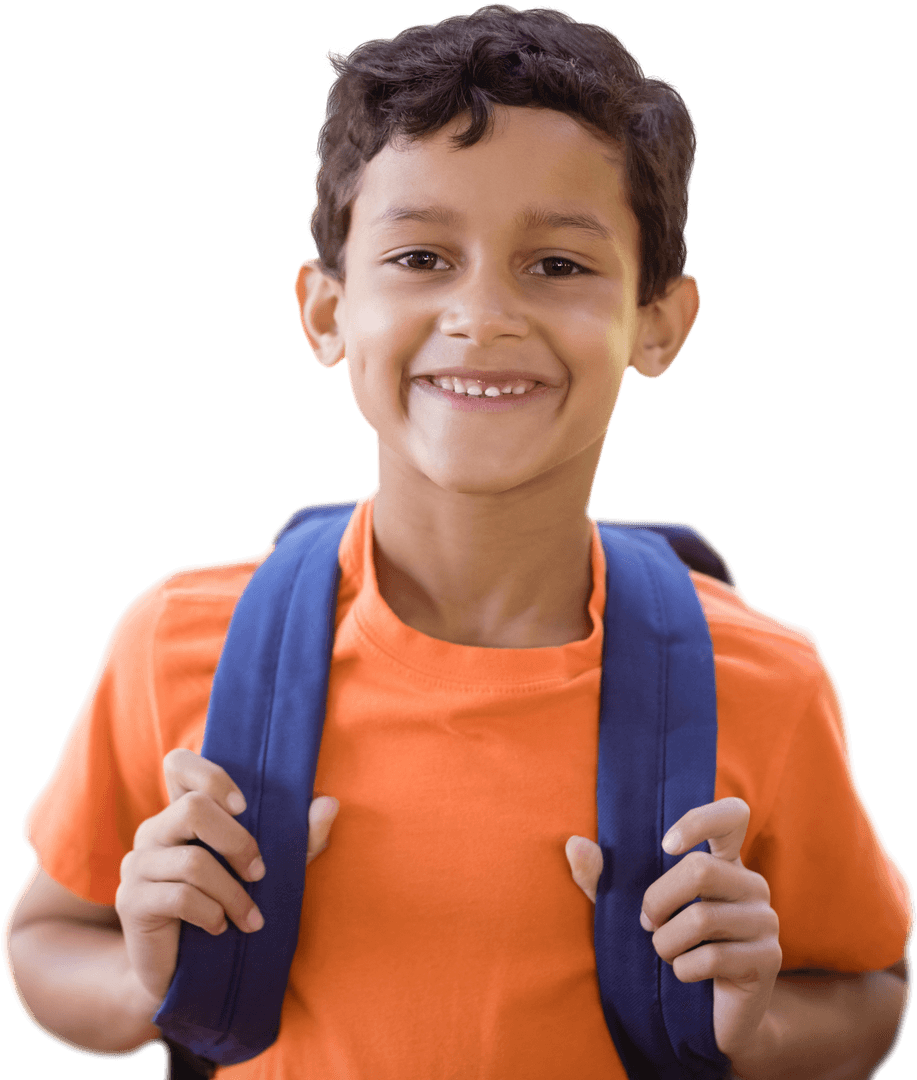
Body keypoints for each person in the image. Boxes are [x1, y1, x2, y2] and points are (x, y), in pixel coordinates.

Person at [3, 5, 913, 1078]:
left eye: (558, 266)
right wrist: (136, 979)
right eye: (423, 255)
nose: (482, 315)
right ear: (326, 313)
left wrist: (755, 1027)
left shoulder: (763, 678)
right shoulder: (179, 644)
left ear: (658, 322)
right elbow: (42, 939)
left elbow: (867, 990)